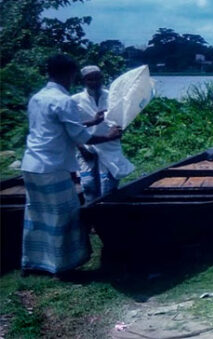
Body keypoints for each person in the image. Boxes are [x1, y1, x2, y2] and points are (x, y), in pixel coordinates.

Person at [21, 54, 122, 277]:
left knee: (36, 214)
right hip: (52, 166)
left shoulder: (37, 97)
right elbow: (80, 136)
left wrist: (92, 122)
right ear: (70, 74)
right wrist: (109, 136)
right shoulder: (64, 100)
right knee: (63, 215)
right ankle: (61, 265)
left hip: (31, 163)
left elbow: (57, 126)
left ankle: (33, 262)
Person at [72, 65, 133, 202]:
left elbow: (122, 120)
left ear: (101, 79)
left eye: (97, 78)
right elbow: (72, 128)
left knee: (108, 187)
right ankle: (91, 212)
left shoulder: (112, 97)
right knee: (88, 185)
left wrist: (119, 130)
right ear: (84, 81)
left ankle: (107, 211)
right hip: (86, 147)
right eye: (90, 79)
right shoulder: (75, 100)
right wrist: (81, 148)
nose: (94, 82)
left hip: (109, 146)